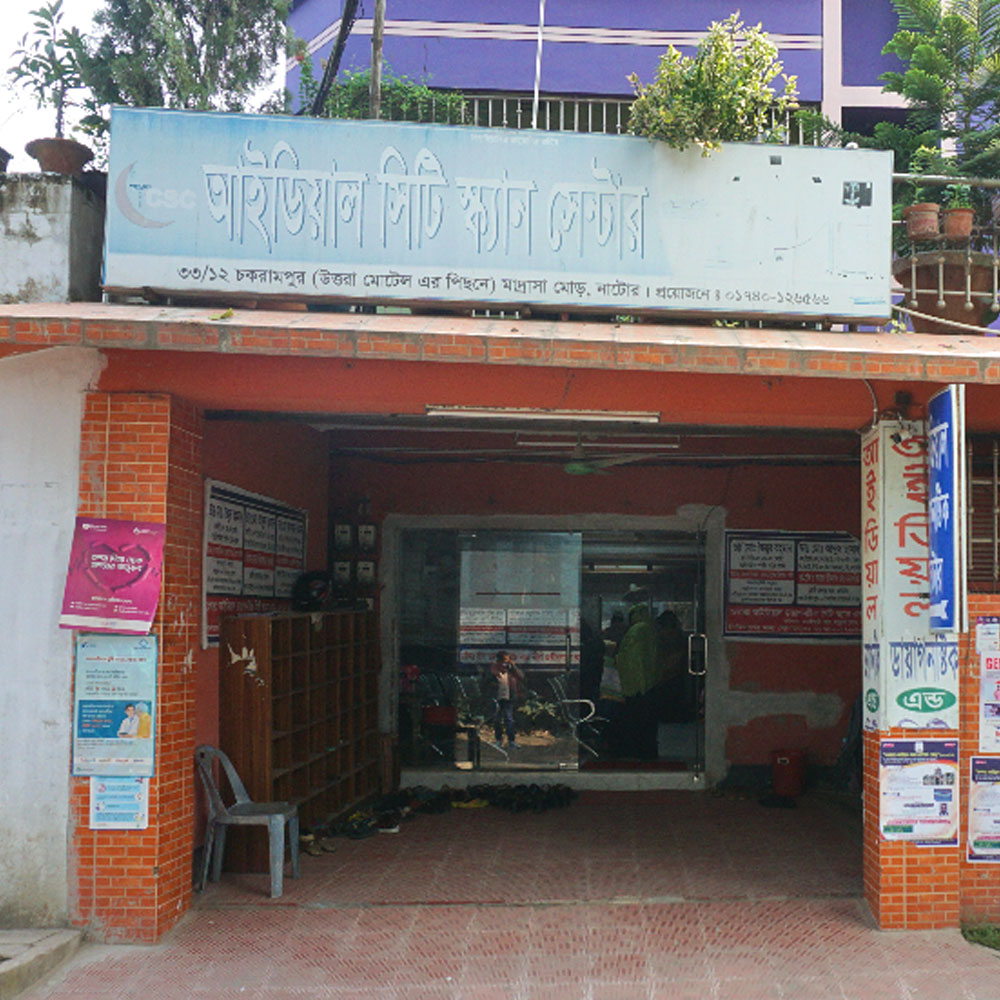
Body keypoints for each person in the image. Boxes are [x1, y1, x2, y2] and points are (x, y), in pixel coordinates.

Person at [489, 650, 525, 749]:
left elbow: (521, 677)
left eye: (508, 660)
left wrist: (513, 667)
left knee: (509, 719)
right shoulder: (493, 669)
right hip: (497, 697)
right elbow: (488, 680)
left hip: (509, 697)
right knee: (497, 719)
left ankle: (511, 741)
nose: (506, 663)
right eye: (504, 660)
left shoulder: (511, 670)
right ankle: (498, 740)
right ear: (499, 660)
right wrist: (496, 671)